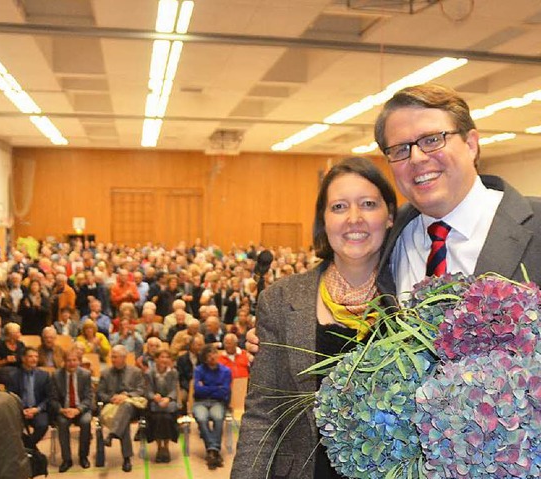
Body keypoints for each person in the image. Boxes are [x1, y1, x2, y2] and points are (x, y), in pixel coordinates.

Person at [233, 156, 397, 479]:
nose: (354, 218)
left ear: (390, 216)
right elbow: (262, 415)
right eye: (338, 207)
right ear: (323, 221)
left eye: (367, 204)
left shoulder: (411, 297)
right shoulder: (281, 300)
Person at [373, 83, 541, 295]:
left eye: (432, 140)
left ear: (471, 144)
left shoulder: (536, 226)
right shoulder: (390, 236)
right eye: (400, 149)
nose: (416, 158)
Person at [96, 345, 145, 473]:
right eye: (111, 356)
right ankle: (126, 458)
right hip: (112, 407)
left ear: (124, 358)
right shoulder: (105, 373)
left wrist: (126, 396)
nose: (112, 359)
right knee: (124, 422)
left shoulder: (135, 372)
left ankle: (112, 434)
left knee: (126, 406)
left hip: (132, 406)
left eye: (115, 357)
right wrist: (112, 398)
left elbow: (141, 390)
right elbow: (100, 393)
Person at [50, 347, 93, 473]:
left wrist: (78, 410)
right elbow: (52, 399)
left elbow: (89, 397)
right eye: (69, 360)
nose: (72, 363)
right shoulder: (56, 375)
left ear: (79, 361)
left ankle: (83, 457)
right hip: (64, 409)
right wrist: (62, 410)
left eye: (74, 360)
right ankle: (66, 459)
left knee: (86, 422)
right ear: (64, 361)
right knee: (62, 424)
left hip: (81, 409)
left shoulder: (85, 374)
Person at [193, 343, 232, 470]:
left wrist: (206, 387)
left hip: (218, 402)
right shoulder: (199, 370)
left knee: (218, 418)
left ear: (218, 355)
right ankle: (214, 450)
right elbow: (198, 390)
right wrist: (216, 388)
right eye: (208, 355)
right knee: (202, 418)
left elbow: (225, 391)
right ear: (204, 358)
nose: (212, 357)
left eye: (214, 354)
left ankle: (211, 451)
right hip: (200, 401)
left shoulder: (226, 371)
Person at [6, 347, 52, 448]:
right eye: (31, 356)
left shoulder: (44, 375)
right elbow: (9, 397)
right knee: (10, 427)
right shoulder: (13, 375)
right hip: (20, 411)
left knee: (43, 425)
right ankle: (30, 449)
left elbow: (49, 397)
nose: (34, 359)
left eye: (36, 356)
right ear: (23, 359)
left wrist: (37, 409)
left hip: (37, 409)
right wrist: (21, 410)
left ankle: (27, 447)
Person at [145, 347, 179, 463]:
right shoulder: (150, 373)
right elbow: (148, 391)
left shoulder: (173, 372)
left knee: (168, 418)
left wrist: (168, 399)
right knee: (157, 418)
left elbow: (174, 390)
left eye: (167, 357)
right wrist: (154, 397)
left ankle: (166, 447)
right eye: (162, 357)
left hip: (168, 403)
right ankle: (159, 447)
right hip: (155, 403)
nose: (164, 359)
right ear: (156, 359)